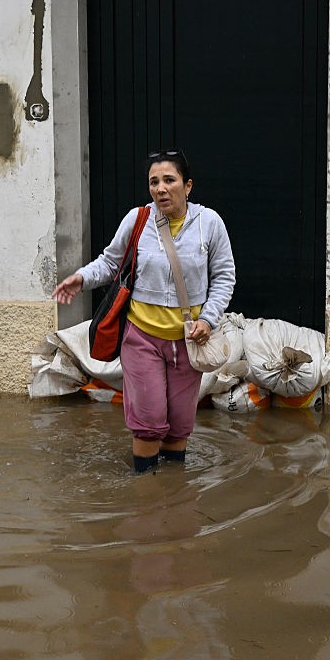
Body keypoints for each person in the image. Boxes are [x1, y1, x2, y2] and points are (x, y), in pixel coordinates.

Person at [52, 149, 236, 473]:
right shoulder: (138, 219)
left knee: (179, 424)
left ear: (188, 185)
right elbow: (110, 262)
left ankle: (173, 495)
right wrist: (81, 278)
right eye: (154, 182)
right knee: (148, 421)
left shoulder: (210, 224)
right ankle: (146, 496)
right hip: (142, 338)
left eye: (169, 180)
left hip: (188, 341)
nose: (160, 188)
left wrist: (208, 319)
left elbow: (224, 277)